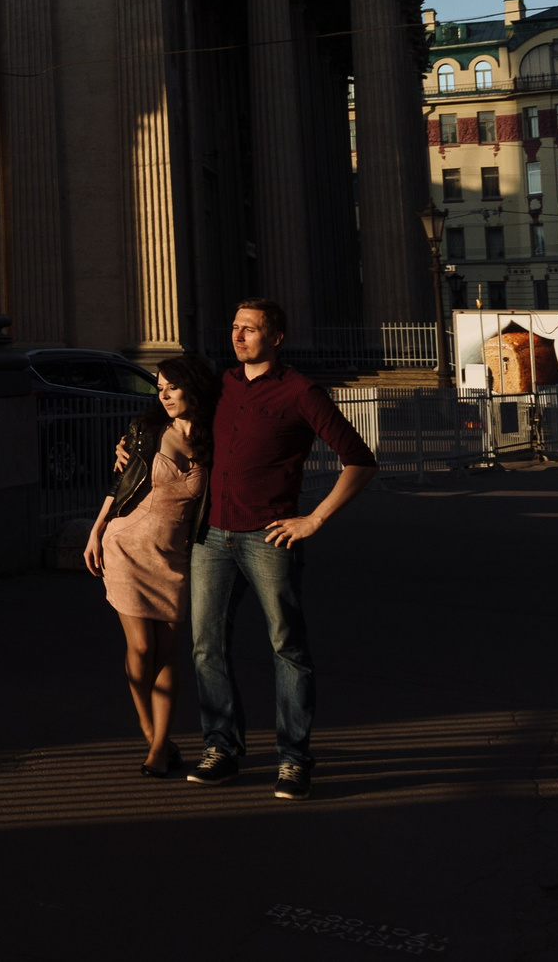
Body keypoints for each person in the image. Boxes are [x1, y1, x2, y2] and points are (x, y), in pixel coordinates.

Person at [180, 298, 377, 800]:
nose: (238, 336)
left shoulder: (300, 392)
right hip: (212, 536)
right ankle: (221, 749)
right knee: (206, 646)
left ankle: (293, 761)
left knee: (287, 648)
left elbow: (359, 460)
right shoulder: (222, 385)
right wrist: (132, 445)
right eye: (235, 327)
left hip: (268, 537)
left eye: (250, 328)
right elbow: (172, 411)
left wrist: (314, 519)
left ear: (276, 337)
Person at [83, 353, 222, 777]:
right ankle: (150, 733)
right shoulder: (146, 430)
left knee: (167, 652)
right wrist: (96, 529)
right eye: (159, 388)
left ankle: (161, 745)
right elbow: (121, 482)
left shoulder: (216, 438)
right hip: (126, 546)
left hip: (176, 557)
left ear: (193, 387)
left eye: (172, 387)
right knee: (142, 647)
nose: (164, 396)